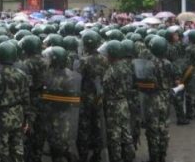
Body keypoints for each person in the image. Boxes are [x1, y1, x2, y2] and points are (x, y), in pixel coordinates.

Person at [0, 42, 31, 162]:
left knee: (3, 146)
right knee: (18, 145)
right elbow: (26, 97)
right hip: (18, 113)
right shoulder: (21, 74)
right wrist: (27, 117)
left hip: (2, 115)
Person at [41, 46, 81, 162]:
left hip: (56, 118)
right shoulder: (73, 75)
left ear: (54, 60)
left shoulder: (50, 77)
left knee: (58, 148)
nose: (46, 60)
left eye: (48, 58)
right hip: (68, 119)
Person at [77, 30, 107, 162]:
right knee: (98, 125)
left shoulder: (84, 61)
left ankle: (83, 156)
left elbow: (78, 78)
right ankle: (97, 155)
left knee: (84, 127)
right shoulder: (105, 60)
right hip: (99, 97)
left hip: (85, 98)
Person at [102, 40, 135, 162]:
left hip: (113, 105)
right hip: (124, 102)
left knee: (114, 136)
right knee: (126, 132)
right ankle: (129, 157)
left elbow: (105, 89)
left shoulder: (111, 71)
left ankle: (116, 158)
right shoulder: (126, 66)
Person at [145, 36, 175, 162]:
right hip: (165, 97)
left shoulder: (149, 64)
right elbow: (173, 80)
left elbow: (146, 84)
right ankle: (162, 156)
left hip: (153, 98)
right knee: (164, 128)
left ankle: (154, 157)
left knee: (153, 130)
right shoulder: (169, 64)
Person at [18, 35, 47, 162]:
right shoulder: (47, 60)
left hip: (32, 99)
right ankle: (38, 156)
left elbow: (27, 85)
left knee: (29, 129)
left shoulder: (26, 64)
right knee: (41, 130)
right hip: (46, 98)